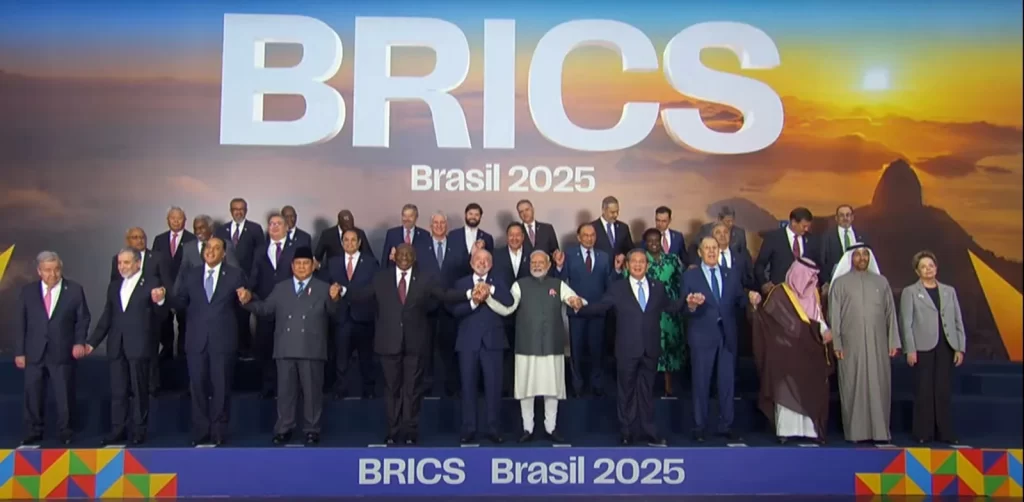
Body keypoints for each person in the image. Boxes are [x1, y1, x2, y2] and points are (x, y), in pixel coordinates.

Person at [340, 243, 467, 445]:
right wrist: (342, 291)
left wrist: (469, 294)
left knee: (412, 390)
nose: (405, 257)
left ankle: (410, 431)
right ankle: (393, 431)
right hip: (388, 343)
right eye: (401, 254)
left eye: (409, 254)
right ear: (394, 257)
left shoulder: (425, 279)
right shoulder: (381, 278)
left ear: (414, 258)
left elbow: (445, 295)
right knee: (392, 389)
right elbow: (361, 295)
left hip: (415, 344)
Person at [577, 249, 701, 445]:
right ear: (627, 265)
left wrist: (689, 303)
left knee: (646, 392)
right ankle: (627, 432)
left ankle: (649, 431)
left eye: (641, 261)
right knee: (626, 392)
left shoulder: (658, 287)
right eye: (633, 261)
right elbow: (602, 306)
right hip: (627, 349)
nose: (637, 265)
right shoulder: (618, 288)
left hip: (650, 349)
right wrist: (579, 307)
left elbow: (672, 307)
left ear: (647, 265)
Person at [238, 246, 342, 446]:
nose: (302, 267)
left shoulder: (323, 288)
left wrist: (335, 298)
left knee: (312, 394)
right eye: (298, 264)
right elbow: (265, 309)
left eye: (306, 263)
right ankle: (284, 428)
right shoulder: (281, 288)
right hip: (285, 348)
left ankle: (312, 430)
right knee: (286, 393)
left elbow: (334, 312)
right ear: (292, 266)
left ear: (313, 266)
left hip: (312, 348)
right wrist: (247, 301)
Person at [482, 251, 584, 443]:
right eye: (533, 262)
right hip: (526, 345)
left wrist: (576, 302)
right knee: (526, 390)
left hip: (552, 345)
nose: (537, 265)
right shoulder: (519, 285)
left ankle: (551, 428)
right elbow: (508, 308)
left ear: (548, 264)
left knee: (552, 390)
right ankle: (527, 429)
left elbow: (574, 299)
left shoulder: (558, 284)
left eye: (540, 262)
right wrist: (488, 299)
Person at [156, 237, 247, 446]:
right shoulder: (191, 274)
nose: (211, 251)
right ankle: (201, 431)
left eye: (216, 248)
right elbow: (180, 302)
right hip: (196, 340)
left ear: (224, 254)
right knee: (197, 387)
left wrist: (247, 297)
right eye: (208, 247)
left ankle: (218, 431)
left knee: (221, 388)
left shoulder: (235, 275)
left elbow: (243, 304)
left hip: (223, 340)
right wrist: (163, 299)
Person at [681, 237, 760, 442]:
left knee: (727, 383)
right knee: (701, 382)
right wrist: (691, 305)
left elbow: (739, 300)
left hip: (727, 336)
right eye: (707, 248)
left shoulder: (731, 274)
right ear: (700, 252)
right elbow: (682, 307)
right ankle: (700, 426)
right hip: (702, 335)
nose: (711, 251)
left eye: (714, 248)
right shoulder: (690, 276)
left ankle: (726, 425)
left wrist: (750, 298)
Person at [88, 248, 167, 445]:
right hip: (117, 346)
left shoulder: (152, 282)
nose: (122, 266)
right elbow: (107, 316)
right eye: (120, 263)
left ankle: (139, 430)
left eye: (126, 262)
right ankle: (118, 430)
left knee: (139, 391)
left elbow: (162, 314)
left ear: (138, 263)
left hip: (139, 345)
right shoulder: (114, 286)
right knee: (118, 391)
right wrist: (91, 343)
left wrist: (160, 301)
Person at [752, 258, 833, 444]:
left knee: (812, 390)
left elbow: (818, 319)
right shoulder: (779, 293)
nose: (811, 280)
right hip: (785, 356)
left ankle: (810, 432)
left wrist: (825, 331)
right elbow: (768, 321)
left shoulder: (814, 294)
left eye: (813, 277)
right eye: (808, 276)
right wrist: (755, 307)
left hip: (810, 354)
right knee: (786, 392)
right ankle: (786, 431)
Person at [15, 251, 91, 445]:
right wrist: (20, 352)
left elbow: (83, 319)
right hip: (34, 351)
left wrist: (79, 342)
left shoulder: (74, 290)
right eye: (48, 270)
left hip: (62, 350)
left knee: (64, 393)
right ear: (39, 271)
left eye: (56, 269)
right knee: (33, 394)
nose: (53, 274)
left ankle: (66, 431)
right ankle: (33, 431)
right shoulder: (28, 292)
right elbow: (21, 323)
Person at [828, 243, 900, 443]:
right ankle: (856, 433)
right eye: (858, 254)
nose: (862, 258)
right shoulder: (840, 284)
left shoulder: (881, 282)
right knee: (853, 386)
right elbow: (834, 316)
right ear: (851, 258)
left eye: (865, 254)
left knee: (879, 386)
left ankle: (880, 432)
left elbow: (890, 314)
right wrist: (837, 344)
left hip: (879, 344)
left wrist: (893, 341)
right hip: (850, 345)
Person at [899, 251, 966, 445]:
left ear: (936, 267)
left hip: (946, 345)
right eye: (923, 267)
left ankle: (945, 432)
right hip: (922, 347)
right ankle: (923, 432)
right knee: (924, 390)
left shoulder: (949, 291)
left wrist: (959, 347)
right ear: (917, 271)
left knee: (943, 390)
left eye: (931, 265)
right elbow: (906, 323)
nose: (928, 269)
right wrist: (910, 349)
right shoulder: (910, 292)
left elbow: (957, 320)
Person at [449, 250, 514, 444]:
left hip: (493, 343)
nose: (482, 263)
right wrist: (474, 302)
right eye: (478, 259)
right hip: (468, 343)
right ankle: (468, 429)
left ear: (491, 264)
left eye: (486, 260)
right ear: (471, 263)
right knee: (468, 387)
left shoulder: (499, 282)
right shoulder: (461, 284)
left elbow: (510, 302)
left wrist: (490, 290)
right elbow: (454, 310)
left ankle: (493, 429)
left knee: (493, 388)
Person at [553, 223, 617, 397]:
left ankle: (597, 384)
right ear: (579, 237)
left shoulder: (604, 256)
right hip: (576, 312)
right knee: (576, 351)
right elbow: (560, 281)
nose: (589, 238)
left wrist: (618, 270)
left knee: (598, 350)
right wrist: (559, 267)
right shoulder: (569, 255)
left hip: (598, 311)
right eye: (586, 235)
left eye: (592, 235)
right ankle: (577, 385)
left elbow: (609, 283)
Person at [634, 228, 686, 396]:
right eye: (650, 241)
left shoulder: (672, 259)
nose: (654, 244)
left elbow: (682, 282)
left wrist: (680, 303)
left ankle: (669, 387)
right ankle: (649, 387)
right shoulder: (640, 260)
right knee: (650, 347)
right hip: (650, 312)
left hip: (670, 312)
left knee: (670, 348)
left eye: (656, 240)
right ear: (645, 243)